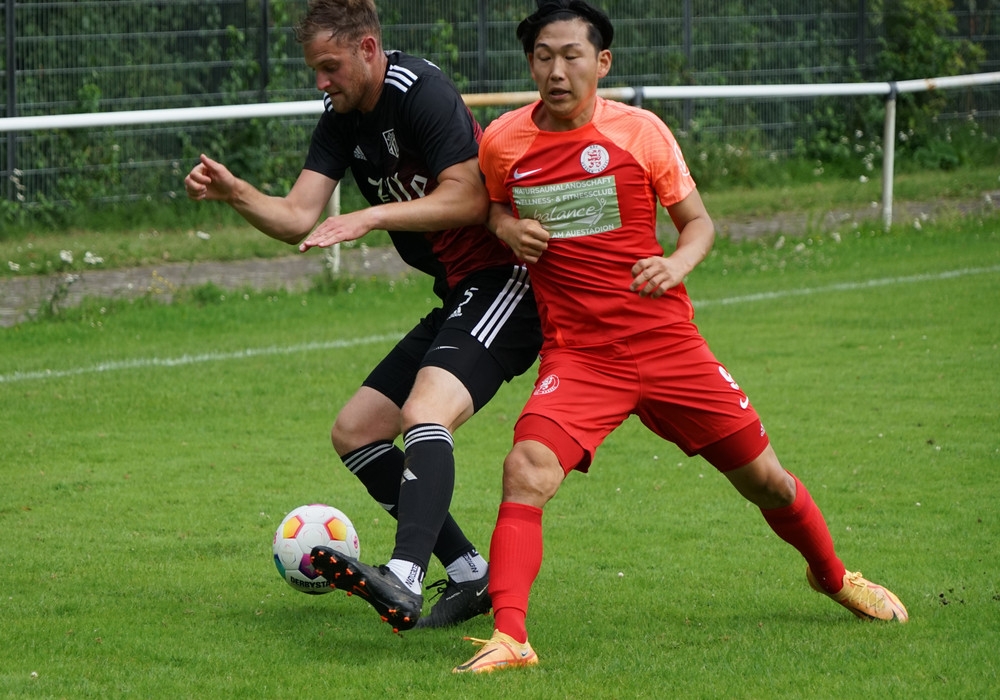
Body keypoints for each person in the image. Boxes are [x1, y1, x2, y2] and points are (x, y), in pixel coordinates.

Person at [453, 0, 907, 674]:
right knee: (526, 469)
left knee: (770, 483)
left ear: (602, 62)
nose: (556, 71)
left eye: (572, 55)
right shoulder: (503, 141)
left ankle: (834, 576)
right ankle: (511, 638)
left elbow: (699, 224)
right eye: (543, 57)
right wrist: (504, 227)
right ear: (530, 64)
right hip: (582, 357)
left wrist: (676, 264)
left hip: (668, 347)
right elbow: (492, 204)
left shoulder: (642, 133)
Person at [184, 0, 541, 632]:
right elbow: (298, 216)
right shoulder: (341, 118)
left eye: (330, 67)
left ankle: (404, 576)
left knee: (424, 413)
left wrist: (371, 215)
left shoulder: (420, 91)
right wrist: (235, 193)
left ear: (368, 49)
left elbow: (468, 196)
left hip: (506, 284)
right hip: (460, 292)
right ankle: (469, 573)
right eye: (314, 70)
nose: (322, 82)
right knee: (356, 432)